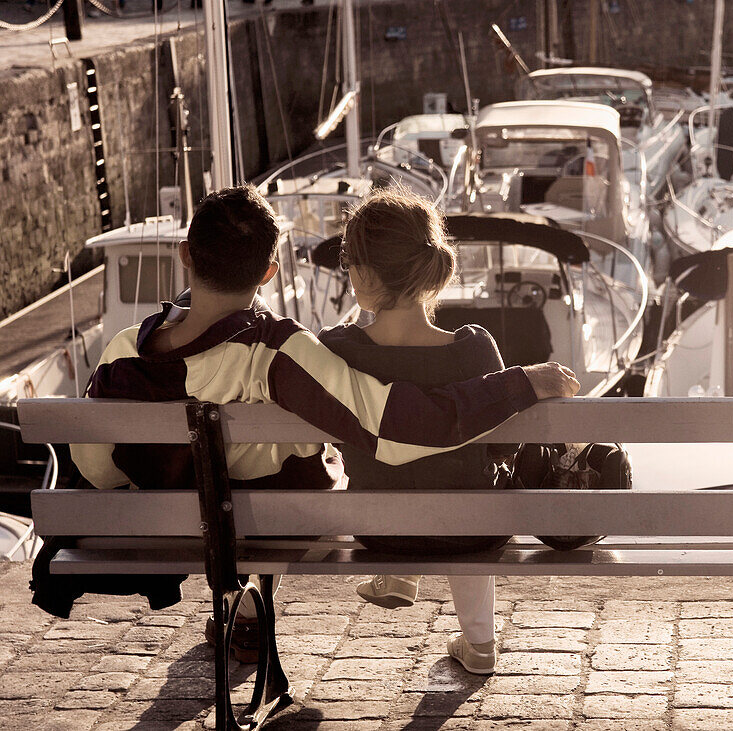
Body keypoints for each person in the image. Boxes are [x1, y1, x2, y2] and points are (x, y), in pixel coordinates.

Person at [40, 186, 578, 643]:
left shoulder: (122, 349)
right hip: (252, 530)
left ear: (185, 255)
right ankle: (251, 610)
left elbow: (95, 468)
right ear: (271, 272)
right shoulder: (278, 351)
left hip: (149, 529)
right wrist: (521, 383)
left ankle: (243, 620)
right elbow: (393, 428)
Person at [318, 188, 519, 675]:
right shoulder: (472, 350)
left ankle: (398, 574)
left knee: (388, 464)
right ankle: (480, 643)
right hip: (470, 534)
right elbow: (506, 444)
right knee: (463, 492)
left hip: (381, 533)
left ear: (364, 274)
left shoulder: (339, 349)